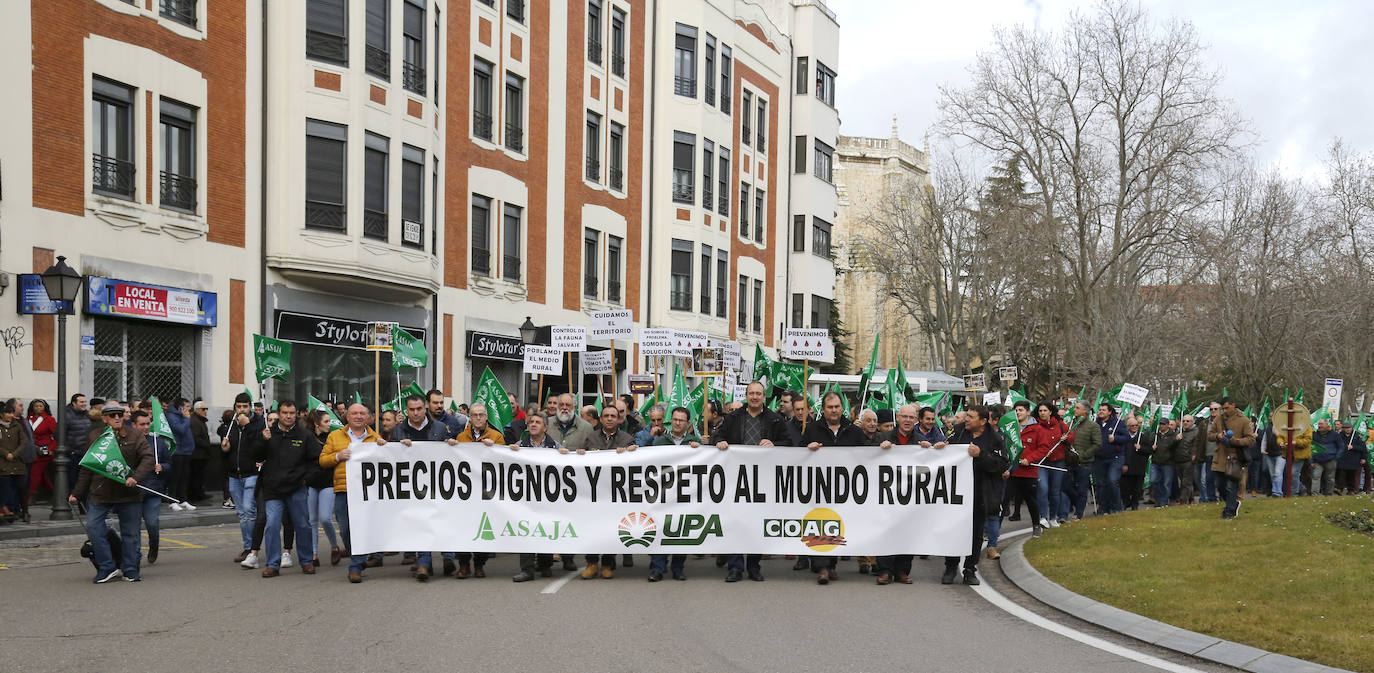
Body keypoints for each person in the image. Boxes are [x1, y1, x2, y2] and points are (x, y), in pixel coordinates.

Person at [714, 381, 792, 582]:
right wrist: (719, 442)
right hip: (736, 479)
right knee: (735, 523)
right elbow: (717, 436)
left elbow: (789, 443)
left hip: (762, 480)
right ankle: (735, 567)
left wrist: (775, 443)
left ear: (764, 397)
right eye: (751, 393)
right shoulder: (733, 418)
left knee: (757, 523)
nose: (755, 397)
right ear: (746, 395)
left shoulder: (775, 420)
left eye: (758, 393)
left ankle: (754, 566)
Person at [68, 403, 155, 582]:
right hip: (100, 491)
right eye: (112, 415)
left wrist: (136, 477)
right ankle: (107, 567)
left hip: (128, 491)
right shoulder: (95, 436)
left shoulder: (135, 434)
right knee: (93, 527)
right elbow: (87, 466)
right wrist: (76, 492)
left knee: (130, 533)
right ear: (104, 418)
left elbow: (148, 458)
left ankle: (130, 569)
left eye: (119, 414)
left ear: (124, 417)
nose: (117, 417)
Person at [802, 392, 868, 585]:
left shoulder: (853, 431)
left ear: (842, 408)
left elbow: (866, 455)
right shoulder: (813, 429)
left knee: (838, 524)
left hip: (845, 489)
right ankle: (822, 567)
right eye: (830, 407)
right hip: (818, 487)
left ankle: (831, 565)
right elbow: (796, 453)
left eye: (837, 407)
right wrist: (807, 447)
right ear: (823, 409)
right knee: (821, 521)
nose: (834, 410)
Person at [566, 405, 637, 579]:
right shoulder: (590, 438)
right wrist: (580, 454)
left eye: (613, 415)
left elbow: (636, 463)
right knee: (592, 528)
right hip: (594, 494)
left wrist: (630, 452)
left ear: (619, 418)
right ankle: (591, 563)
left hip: (616, 494)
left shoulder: (627, 439)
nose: (610, 418)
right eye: (606, 416)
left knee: (611, 529)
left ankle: (607, 563)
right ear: (601, 418)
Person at [393, 394, 458, 581]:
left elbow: (451, 453)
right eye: (412, 409)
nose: (416, 413)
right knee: (421, 522)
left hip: (438, 484)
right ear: (406, 410)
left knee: (442, 519)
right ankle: (424, 563)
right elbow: (389, 459)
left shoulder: (439, 428)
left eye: (419, 409)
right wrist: (395, 447)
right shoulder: (399, 431)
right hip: (413, 487)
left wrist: (451, 444)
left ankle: (448, 557)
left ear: (425, 408)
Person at [319, 403, 387, 582]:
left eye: (362, 413)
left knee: (365, 527)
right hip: (344, 489)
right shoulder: (335, 436)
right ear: (347, 417)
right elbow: (323, 460)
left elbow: (386, 462)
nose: (358, 416)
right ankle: (359, 556)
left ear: (368, 417)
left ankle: (355, 566)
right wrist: (337, 456)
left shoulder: (374, 437)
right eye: (354, 413)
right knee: (346, 529)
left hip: (368, 492)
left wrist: (384, 447)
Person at [943, 405, 1009, 586]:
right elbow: (944, 452)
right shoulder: (957, 433)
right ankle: (950, 567)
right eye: (967, 416)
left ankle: (970, 569)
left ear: (983, 421)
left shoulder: (995, 439)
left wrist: (981, 455)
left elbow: (1002, 464)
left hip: (980, 492)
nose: (967, 419)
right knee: (954, 531)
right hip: (956, 492)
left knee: (975, 533)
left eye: (971, 417)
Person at [255, 400, 321, 578]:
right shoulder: (268, 433)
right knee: (272, 525)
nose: (288, 416)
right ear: (279, 413)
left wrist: (306, 479)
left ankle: (306, 561)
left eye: (292, 413)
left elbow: (316, 460)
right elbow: (256, 456)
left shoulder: (305, 435)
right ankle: (272, 564)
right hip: (273, 489)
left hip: (297, 488)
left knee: (302, 525)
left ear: (296, 414)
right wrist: (262, 441)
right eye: (285, 413)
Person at [874, 404, 932, 582]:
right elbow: (865, 456)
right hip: (887, 494)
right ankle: (884, 570)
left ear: (915, 420)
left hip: (910, 496)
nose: (907, 420)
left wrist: (930, 451)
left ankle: (902, 571)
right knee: (885, 530)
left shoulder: (920, 441)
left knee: (908, 531)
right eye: (904, 417)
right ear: (897, 418)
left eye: (911, 418)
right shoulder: (882, 437)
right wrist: (878, 448)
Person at [646, 407, 701, 582]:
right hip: (663, 493)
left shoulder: (694, 442)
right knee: (659, 529)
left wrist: (699, 448)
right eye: (675, 419)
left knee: (681, 531)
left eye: (681, 420)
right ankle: (657, 568)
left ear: (688, 423)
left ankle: (678, 568)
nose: (677, 423)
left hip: (685, 494)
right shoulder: (661, 441)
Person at [509, 412, 563, 582]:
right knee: (526, 530)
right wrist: (511, 453)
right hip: (526, 496)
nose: (533, 424)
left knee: (545, 528)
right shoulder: (520, 445)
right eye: (531, 422)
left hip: (547, 495)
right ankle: (527, 569)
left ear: (545, 427)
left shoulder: (555, 446)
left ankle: (545, 564)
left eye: (537, 422)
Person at [222, 392, 265, 564]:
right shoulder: (232, 424)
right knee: (241, 513)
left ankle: (252, 549)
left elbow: (259, 445)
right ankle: (248, 546)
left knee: (249, 510)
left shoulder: (257, 423)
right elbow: (229, 450)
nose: (242, 410)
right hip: (234, 474)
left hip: (251, 473)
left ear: (250, 407)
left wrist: (247, 427)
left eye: (245, 407)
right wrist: (225, 449)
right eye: (239, 407)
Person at [128, 410, 173, 564]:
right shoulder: (127, 442)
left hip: (153, 489)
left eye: (148, 424)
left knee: (152, 522)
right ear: (133, 425)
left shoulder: (158, 443)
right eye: (142, 424)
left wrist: (163, 467)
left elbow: (169, 463)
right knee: (133, 526)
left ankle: (154, 545)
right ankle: (136, 555)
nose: (146, 427)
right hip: (133, 490)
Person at [306, 410, 342, 568]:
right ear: (317, 423)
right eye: (326, 421)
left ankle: (334, 546)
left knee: (326, 518)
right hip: (311, 483)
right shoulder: (307, 437)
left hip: (328, 482)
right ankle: (313, 554)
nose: (330, 424)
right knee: (312, 520)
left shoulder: (332, 437)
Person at [1209, 398, 1254, 519]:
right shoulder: (1219, 419)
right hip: (1220, 457)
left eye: (1227, 408)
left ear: (1233, 405)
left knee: (1230, 486)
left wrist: (1235, 440)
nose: (1225, 410)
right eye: (1223, 408)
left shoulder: (1243, 420)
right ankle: (1233, 503)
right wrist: (1218, 436)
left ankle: (1229, 512)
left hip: (1235, 458)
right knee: (1220, 485)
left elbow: (1250, 439)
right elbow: (1210, 435)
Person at [1006, 400, 1046, 536]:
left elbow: (1043, 448)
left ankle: (1036, 526)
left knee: (1031, 501)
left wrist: (1029, 459)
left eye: (1020, 410)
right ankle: (993, 533)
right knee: (1005, 500)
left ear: (1028, 412)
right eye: (1016, 410)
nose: (1017, 412)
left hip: (1029, 473)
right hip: (1012, 471)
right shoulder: (1010, 427)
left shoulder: (1037, 428)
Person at [1034, 402, 1071, 526]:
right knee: (1043, 489)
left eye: (1045, 410)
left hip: (1058, 463)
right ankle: (1043, 516)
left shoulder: (1060, 424)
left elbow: (1071, 436)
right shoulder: (1035, 426)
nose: (1042, 413)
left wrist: (1066, 438)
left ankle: (1053, 517)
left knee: (1055, 491)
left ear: (1050, 412)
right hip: (1042, 463)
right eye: (1040, 411)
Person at [1062, 401, 1099, 521]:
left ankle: (1078, 513)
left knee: (1082, 488)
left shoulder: (1093, 426)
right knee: (1066, 486)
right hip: (1070, 462)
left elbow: (1097, 444)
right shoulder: (1070, 423)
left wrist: (1084, 455)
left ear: (1085, 411)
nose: (1075, 410)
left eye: (1077, 408)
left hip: (1085, 463)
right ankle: (1078, 503)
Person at [1094, 403, 1130, 515]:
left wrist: (1115, 439)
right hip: (1099, 459)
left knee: (1112, 481)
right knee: (1101, 484)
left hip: (1116, 457)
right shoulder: (1096, 424)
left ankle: (1117, 508)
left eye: (1103, 410)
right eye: (1099, 410)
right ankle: (1104, 508)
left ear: (1110, 412)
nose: (1101, 412)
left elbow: (1127, 437)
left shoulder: (1118, 423)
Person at [165, 398, 197, 508]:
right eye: (187, 406)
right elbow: (181, 430)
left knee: (184, 476)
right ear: (180, 407)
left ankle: (183, 499)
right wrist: (187, 419)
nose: (189, 409)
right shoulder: (172, 417)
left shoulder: (182, 417)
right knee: (176, 476)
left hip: (186, 451)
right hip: (177, 451)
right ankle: (172, 500)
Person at [25, 399, 56, 509]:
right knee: (43, 475)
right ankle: (56, 494)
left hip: (44, 451)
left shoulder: (49, 419)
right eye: (36, 406)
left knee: (35, 472)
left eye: (40, 406)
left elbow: (55, 436)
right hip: (31, 450)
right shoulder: (28, 419)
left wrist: (51, 449)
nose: (38, 408)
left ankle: (31, 495)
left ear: (45, 407)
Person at [0, 401, 28, 524]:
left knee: (21, 487)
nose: (11, 415)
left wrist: (14, 454)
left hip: (17, 462)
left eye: (12, 412)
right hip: (3, 462)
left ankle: (22, 511)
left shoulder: (17, 425)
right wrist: (6, 454)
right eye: (8, 413)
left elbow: (23, 441)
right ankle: (5, 508)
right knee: (5, 487)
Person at [1121, 416, 1152, 510]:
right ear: (1128, 427)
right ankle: (1126, 502)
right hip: (1127, 466)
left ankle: (1135, 504)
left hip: (1139, 467)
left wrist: (1141, 448)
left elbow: (1149, 450)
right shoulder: (1124, 437)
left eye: (1136, 425)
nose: (1135, 427)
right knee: (1125, 488)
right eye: (1132, 426)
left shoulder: (1143, 437)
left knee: (1137, 488)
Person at [1193, 403, 1222, 502]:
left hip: (1221, 455)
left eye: (1215, 409)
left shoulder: (1224, 422)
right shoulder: (1204, 423)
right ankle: (1211, 498)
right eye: (1211, 409)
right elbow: (1198, 439)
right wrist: (1195, 453)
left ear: (1220, 410)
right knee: (1208, 479)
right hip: (1208, 455)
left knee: (1221, 480)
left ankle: (1223, 497)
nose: (1213, 411)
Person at [63, 394, 92, 492]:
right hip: (73, 453)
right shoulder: (66, 415)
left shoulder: (87, 414)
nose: (84, 404)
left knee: (84, 480)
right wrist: (69, 450)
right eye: (81, 402)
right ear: (74, 403)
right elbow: (59, 434)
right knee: (73, 479)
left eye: (85, 402)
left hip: (85, 453)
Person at [189, 400, 215, 503]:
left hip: (201, 454)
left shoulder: (200, 420)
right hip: (197, 454)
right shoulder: (194, 421)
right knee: (196, 476)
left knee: (200, 476)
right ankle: (195, 496)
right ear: (197, 410)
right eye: (203, 409)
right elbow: (196, 438)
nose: (205, 411)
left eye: (206, 409)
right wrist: (206, 445)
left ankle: (199, 494)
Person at [1277, 423, 1312, 496]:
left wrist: (1296, 442)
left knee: (1293, 473)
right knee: (1288, 473)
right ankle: (1302, 488)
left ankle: (1293, 494)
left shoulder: (1306, 426)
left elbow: (1308, 440)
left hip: (1300, 455)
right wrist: (1281, 443)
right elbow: (1280, 437)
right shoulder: (1286, 425)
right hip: (1288, 454)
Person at [1150, 418, 1179, 506]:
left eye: (1163, 424)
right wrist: (1152, 447)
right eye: (1160, 424)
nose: (1161, 426)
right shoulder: (1155, 435)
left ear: (1167, 425)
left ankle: (1164, 501)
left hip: (1168, 463)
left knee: (1166, 484)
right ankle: (1158, 500)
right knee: (1154, 481)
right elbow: (1149, 445)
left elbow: (1172, 446)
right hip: (1155, 462)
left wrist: (1176, 440)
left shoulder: (1173, 435)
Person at [1310, 419, 1342, 496]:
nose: (1319, 425)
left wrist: (1336, 457)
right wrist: (1312, 460)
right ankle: (1314, 494)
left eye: (1321, 424)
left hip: (1331, 460)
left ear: (1327, 425)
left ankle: (1329, 494)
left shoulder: (1335, 435)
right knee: (1315, 477)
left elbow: (1341, 447)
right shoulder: (1314, 435)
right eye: (1319, 424)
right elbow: (1311, 448)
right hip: (1317, 461)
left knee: (1330, 478)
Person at [1336, 421, 1368, 495]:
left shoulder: (1357, 436)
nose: (1348, 429)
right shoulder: (1339, 436)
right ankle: (1339, 489)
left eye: (1349, 428)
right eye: (1346, 428)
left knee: (1351, 476)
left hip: (1353, 460)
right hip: (1342, 460)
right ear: (1343, 428)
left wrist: (1354, 447)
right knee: (1341, 475)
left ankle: (1351, 490)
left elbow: (1363, 448)